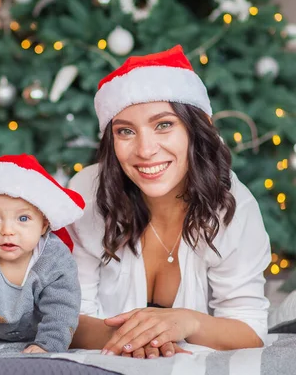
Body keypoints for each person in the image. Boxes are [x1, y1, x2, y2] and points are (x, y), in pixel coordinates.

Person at [67, 45, 271, 358]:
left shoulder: (233, 205)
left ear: (195, 128)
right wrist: (142, 337)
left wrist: (186, 322)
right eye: (125, 131)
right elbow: (66, 319)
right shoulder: (87, 194)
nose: (145, 150)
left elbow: (250, 329)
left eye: (164, 124)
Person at [0, 154, 84, 354]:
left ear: (44, 224)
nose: (7, 230)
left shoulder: (55, 259)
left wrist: (48, 345)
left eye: (23, 218)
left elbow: (62, 308)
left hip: (37, 336)